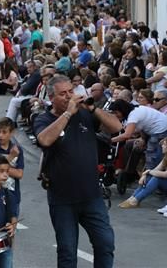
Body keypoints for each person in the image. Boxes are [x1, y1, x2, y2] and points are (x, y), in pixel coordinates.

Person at [33, 75, 122, 268]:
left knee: (105, 244)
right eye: (62, 93)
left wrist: (94, 108)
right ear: (51, 96)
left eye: (70, 92)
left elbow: (117, 127)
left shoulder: (85, 114)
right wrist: (67, 114)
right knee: (67, 253)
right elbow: (45, 140)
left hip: (91, 196)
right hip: (62, 199)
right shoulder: (44, 118)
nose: (68, 97)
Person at [118, 136, 167, 209]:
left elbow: (165, 174)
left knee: (157, 178)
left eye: (164, 144)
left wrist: (147, 172)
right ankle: (132, 198)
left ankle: (136, 200)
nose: (162, 146)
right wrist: (145, 174)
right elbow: (156, 170)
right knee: (151, 176)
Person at [110, 99, 167, 169]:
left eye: (116, 112)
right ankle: (130, 172)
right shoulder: (136, 109)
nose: (115, 115)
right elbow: (142, 126)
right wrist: (143, 139)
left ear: (122, 110)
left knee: (151, 155)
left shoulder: (133, 115)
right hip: (155, 130)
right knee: (129, 145)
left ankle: (148, 174)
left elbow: (127, 135)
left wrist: (110, 140)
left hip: (160, 131)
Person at [0, 117, 24, 214]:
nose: (0, 135)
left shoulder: (17, 149)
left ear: (11, 133)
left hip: (13, 195)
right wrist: (11, 157)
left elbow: (19, 174)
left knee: (11, 226)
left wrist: (0, 168)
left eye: (4, 132)